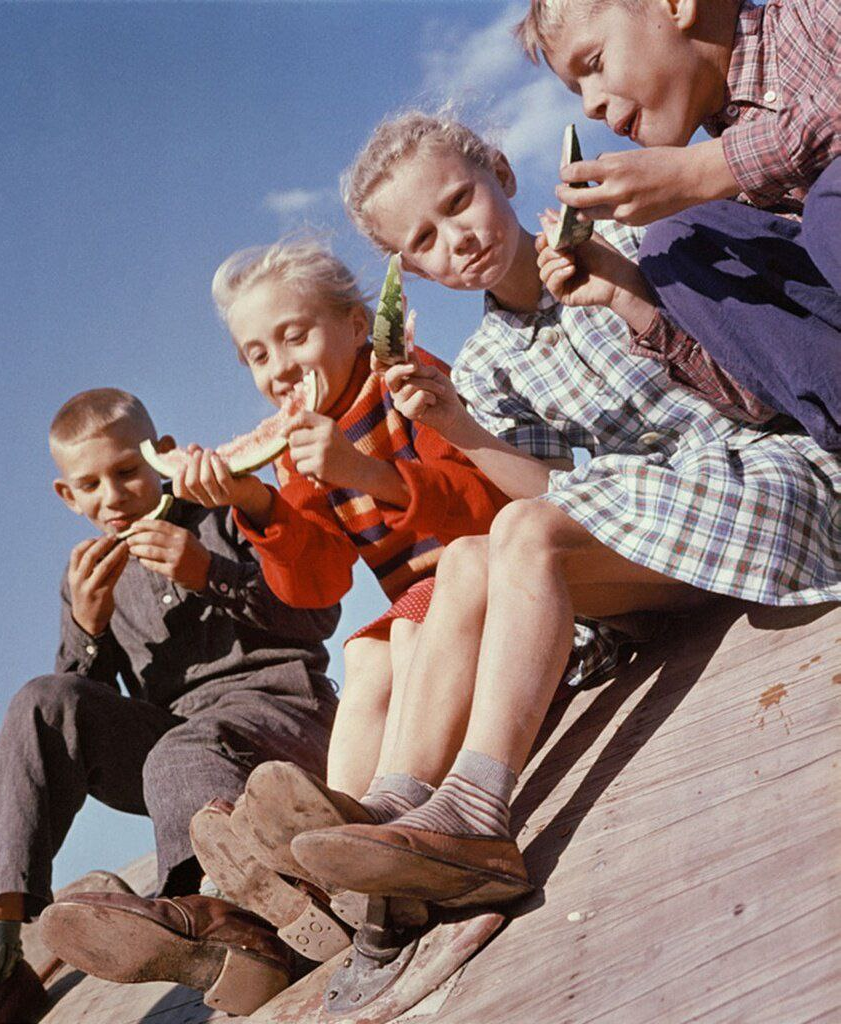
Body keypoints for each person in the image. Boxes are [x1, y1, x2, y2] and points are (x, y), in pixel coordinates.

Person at [250, 110, 841, 907]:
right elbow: (549, 496)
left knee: (513, 533)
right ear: (410, 272)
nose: (455, 240)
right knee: (469, 557)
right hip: (664, 533)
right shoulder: (489, 364)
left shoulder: (628, 239)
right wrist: (455, 425)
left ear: (502, 171)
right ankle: (399, 806)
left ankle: (478, 811)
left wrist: (625, 294)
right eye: (422, 241)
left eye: (458, 202)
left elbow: (755, 385)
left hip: (766, 481)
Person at [0, 387, 339, 1023]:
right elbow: (70, 725)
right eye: (91, 484)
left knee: (178, 752)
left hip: (283, 711)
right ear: (67, 497)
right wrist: (88, 629)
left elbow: (317, 613)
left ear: (160, 454)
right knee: (38, 701)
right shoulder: (88, 574)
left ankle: (219, 914)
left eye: (127, 471)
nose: (113, 495)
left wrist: (208, 570)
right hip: (177, 752)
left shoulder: (224, 508)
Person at [170, 238, 509, 813]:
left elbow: (490, 504)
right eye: (257, 355)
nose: (279, 368)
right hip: (429, 624)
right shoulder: (294, 451)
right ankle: (337, 822)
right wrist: (256, 502)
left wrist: (365, 473)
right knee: (365, 654)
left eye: (295, 337)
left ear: (357, 327)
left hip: (505, 591)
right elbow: (319, 585)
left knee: (400, 634)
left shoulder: (408, 380)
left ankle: (389, 808)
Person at [518, 0, 841, 449]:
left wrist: (706, 168)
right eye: (577, 91)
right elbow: (763, 398)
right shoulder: (725, 206)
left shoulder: (817, 17)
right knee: (673, 244)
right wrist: (623, 290)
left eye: (594, 63)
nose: (591, 105)